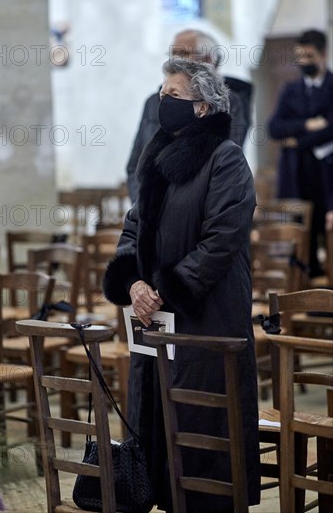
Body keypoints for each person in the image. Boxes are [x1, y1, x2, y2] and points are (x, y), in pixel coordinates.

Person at [104, 57, 260, 512]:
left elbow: (222, 238)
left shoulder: (225, 158)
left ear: (201, 109)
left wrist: (166, 288)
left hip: (205, 317)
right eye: (162, 93)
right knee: (155, 421)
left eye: (173, 95)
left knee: (201, 426)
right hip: (156, 320)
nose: (162, 102)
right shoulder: (155, 157)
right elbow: (133, 229)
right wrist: (133, 283)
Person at [126, 29, 253, 203]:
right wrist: (142, 204)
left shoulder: (230, 103)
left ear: (209, 60)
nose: (176, 60)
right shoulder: (153, 102)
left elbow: (224, 163)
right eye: (173, 54)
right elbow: (135, 164)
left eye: (183, 53)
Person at [269, 29, 333, 277]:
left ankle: (323, 293)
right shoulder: (290, 89)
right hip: (295, 172)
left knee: (322, 230)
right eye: (300, 56)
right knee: (297, 233)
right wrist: (307, 124)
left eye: (309, 56)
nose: (303, 61)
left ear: (323, 54)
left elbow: (331, 129)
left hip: (325, 172)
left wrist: (296, 139)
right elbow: (275, 128)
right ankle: (302, 287)